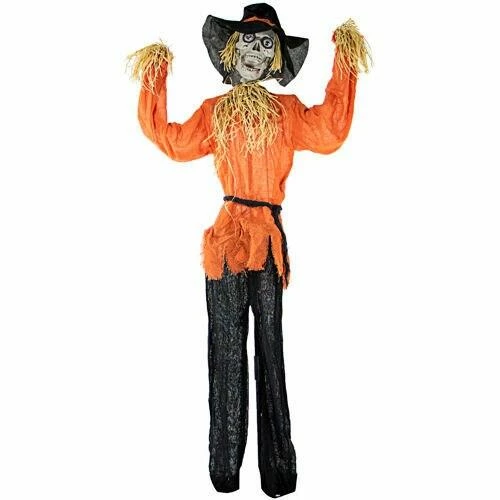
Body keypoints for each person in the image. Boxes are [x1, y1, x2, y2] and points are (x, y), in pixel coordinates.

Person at [127, 3, 371, 497]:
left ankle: (278, 472)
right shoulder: (215, 112)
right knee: (226, 351)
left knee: (270, 354)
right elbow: (173, 141)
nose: (256, 52)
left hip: (268, 243)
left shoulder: (286, 112)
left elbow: (329, 131)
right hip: (226, 245)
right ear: (230, 50)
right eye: (248, 42)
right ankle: (224, 470)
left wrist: (346, 62)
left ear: (276, 57)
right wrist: (154, 75)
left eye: (266, 45)